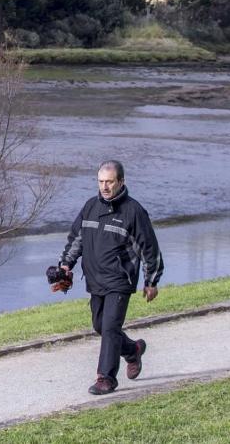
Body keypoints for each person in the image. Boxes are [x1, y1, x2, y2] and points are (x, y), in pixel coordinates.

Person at [55, 160, 163, 395]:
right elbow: (77, 240)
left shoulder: (133, 211)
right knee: (100, 326)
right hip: (95, 279)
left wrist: (151, 282)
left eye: (109, 182)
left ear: (121, 182)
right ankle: (132, 350)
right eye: (101, 182)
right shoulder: (90, 207)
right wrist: (65, 265)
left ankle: (106, 378)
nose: (104, 187)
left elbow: (149, 248)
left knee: (111, 327)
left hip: (120, 280)